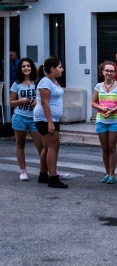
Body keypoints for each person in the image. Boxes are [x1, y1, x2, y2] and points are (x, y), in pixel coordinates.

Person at [34, 57, 67, 189]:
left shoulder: (53, 81)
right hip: (45, 119)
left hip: (51, 118)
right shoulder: (45, 82)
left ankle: (43, 174)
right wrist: (50, 122)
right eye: (60, 67)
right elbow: (44, 102)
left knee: (47, 147)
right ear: (52, 69)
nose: (62, 69)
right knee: (54, 146)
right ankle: (53, 177)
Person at [11, 58, 44, 181]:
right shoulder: (16, 84)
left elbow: (43, 98)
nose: (26, 68)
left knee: (41, 145)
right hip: (20, 117)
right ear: (20, 69)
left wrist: (36, 102)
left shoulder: (37, 83)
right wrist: (21, 101)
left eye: (28, 66)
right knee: (20, 144)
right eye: (23, 66)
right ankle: (23, 170)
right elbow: (11, 103)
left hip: (35, 117)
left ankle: (45, 169)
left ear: (32, 67)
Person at [91, 61, 117, 184]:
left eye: (112, 71)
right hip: (101, 120)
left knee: (112, 148)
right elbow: (93, 102)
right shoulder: (98, 86)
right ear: (102, 72)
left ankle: (112, 173)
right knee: (104, 148)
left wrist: (112, 110)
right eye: (107, 70)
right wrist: (101, 108)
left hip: (114, 120)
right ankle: (106, 172)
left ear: (115, 73)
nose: (109, 73)